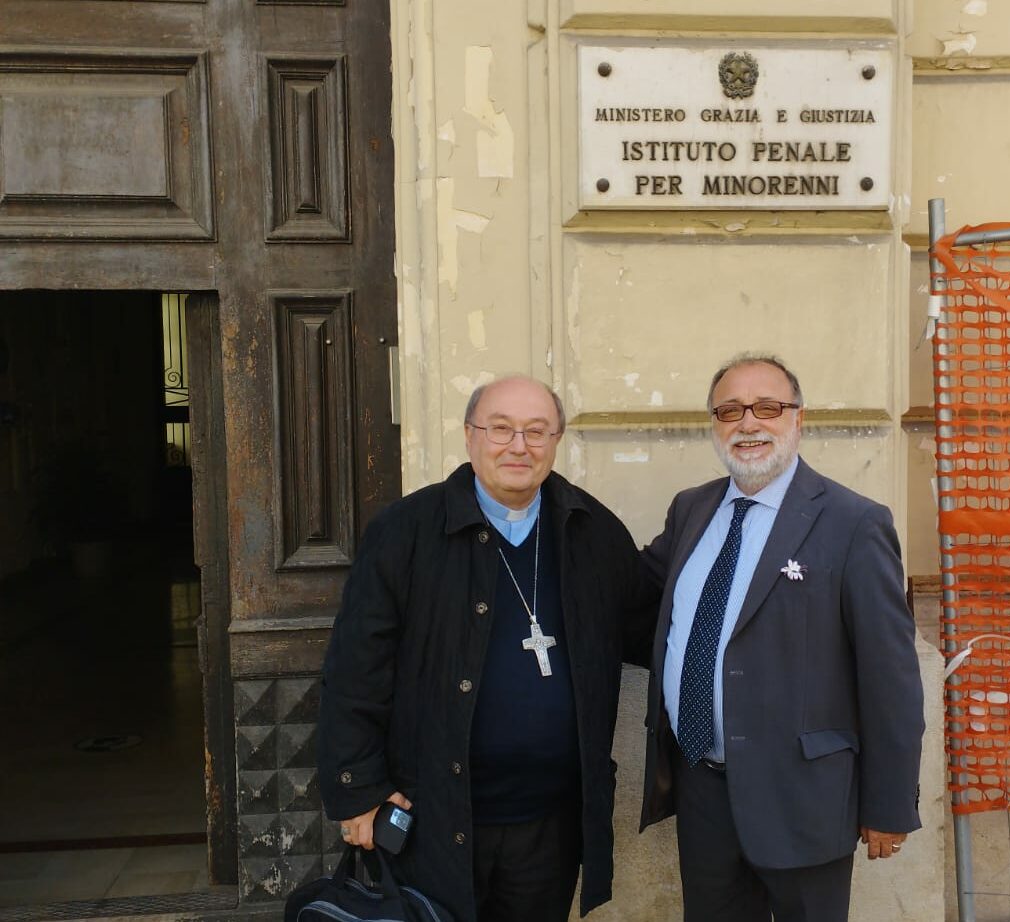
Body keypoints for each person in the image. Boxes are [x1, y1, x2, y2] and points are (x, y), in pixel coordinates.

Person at [318, 375, 654, 922]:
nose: (519, 446)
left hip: (550, 823)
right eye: (501, 429)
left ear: (556, 440)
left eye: (536, 431)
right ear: (470, 435)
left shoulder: (591, 530)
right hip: (434, 815)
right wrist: (357, 789)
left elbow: (652, 626)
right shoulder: (405, 531)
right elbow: (356, 668)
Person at [639, 354, 924, 922]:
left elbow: (890, 677)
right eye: (730, 410)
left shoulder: (854, 522)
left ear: (798, 418)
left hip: (804, 799)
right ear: (714, 424)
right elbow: (639, 593)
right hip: (704, 790)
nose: (748, 423)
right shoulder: (691, 509)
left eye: (767, 407)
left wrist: (889, 803)